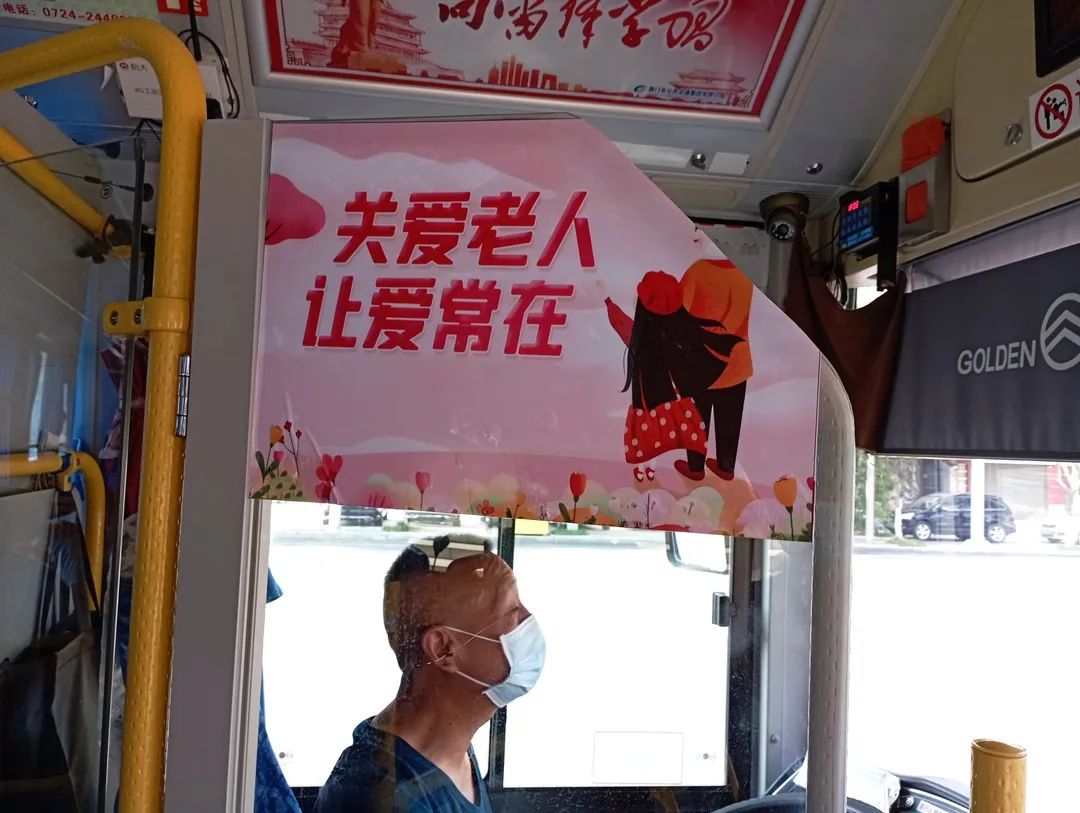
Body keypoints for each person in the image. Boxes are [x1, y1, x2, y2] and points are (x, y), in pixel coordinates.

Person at [317, 538, 544, 812]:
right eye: (511, 612)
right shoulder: (388, 798)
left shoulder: (448, 750)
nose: (528, 619)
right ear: (444, 649)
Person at [607, 259, 754, 482]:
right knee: (730, 418)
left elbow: (673, 308)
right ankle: (726, 467)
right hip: (737, 360)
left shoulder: (698, 271)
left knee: (698, 418)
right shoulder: (744, 275)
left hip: (700, 361)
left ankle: (696, 468)